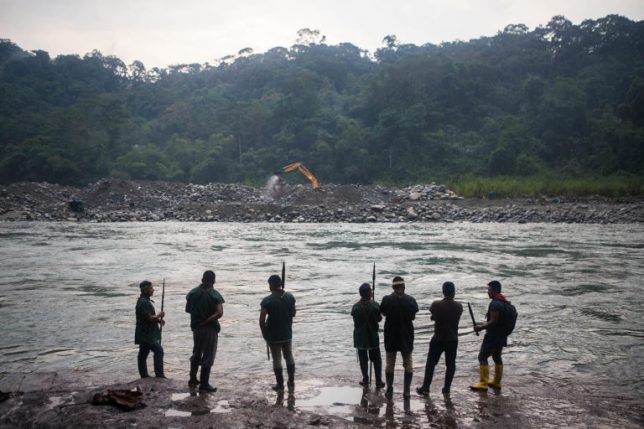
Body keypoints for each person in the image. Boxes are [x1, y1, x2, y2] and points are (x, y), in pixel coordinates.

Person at [416, 281, 463, 396]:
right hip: (452, 339)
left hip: (439, 337)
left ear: (443, 291)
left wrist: (436, 317)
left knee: (431, 363)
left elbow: (434, 315)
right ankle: (446, 388)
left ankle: (426, 387)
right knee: (450, 364)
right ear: (453, 292)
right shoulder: (459, 306)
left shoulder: (436, 304)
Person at [379, 276, 419, 399]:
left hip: (391, 336)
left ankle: (389, 388)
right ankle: (406, 390)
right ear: (404, 287)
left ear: (393, 287)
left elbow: (383, 313)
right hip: (406, 336)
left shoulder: (387, 300)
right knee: (408, 363)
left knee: (390, 363)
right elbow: (413, 317)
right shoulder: (411, 301)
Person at [185, 270, 225, 392]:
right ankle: (204, 384)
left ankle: (192, 378)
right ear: (213, 281)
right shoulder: (214, 295)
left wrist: (199, 316)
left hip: (196, 328)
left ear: (202, 279)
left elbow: (187, 309)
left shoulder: (192, 293)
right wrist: (207, 320)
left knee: (196, 352)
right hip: (209, 328)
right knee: (208, 354)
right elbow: (220, 313)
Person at [260, 274, 296, 392]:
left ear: (271, 285)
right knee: (289, 356)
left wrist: (264, 333)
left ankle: (280, 384)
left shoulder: (267, 300)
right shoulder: (290, 297)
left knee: (277, 359)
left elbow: (261, 320)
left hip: (273, 335)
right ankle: (291, 381)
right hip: (287, 332)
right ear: (280, 284)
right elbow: (293, 313)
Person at [470, 280, 508, 391]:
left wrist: (480, 328)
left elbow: (493, 321)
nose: (488, 292)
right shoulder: (504, 302)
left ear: (495, 290)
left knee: (482, 357)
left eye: (489, 289)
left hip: (493, 336)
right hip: (501, 335)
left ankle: (483, 383)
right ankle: (496, 382)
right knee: (496, 357)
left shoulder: (495, 303)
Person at [351, 283, 385, 388]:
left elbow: (355, 322)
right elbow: (379, 319)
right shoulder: (375, 305)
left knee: (363, 359)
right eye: (371, 291)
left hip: (360, 338)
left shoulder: (355, 307)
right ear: (369, 293)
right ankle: (378, 381)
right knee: (376, 359)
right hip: (372, 336)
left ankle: (365, 379)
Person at [135, 280, 165, 378]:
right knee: (158, 350)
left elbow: (148, 317)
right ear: (145, 290)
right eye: (151, 288)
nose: (153, 290)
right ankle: (159, 375)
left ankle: (144, 376)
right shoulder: (143, 302)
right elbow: (149, 318)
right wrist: (159, 316)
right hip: (146, 334)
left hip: (145, 332)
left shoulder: (144, 301)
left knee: (143, 353)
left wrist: (158, 320)